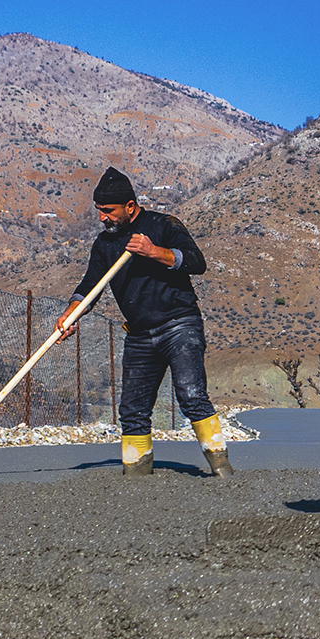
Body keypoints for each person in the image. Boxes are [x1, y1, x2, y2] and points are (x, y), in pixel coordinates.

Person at [54, 166, 233, 478]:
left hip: (179, 324)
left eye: (108, 211)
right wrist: (72, 313)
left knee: (191, 394)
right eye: (99, 211)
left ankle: (222, 469)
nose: (102, 218)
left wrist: (154, 252)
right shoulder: (104, 245)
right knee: (132, 411)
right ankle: (136, 478)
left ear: (130, 207)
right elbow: (89, 287)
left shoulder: (163, 225)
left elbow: (196, 262)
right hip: (138, 335)